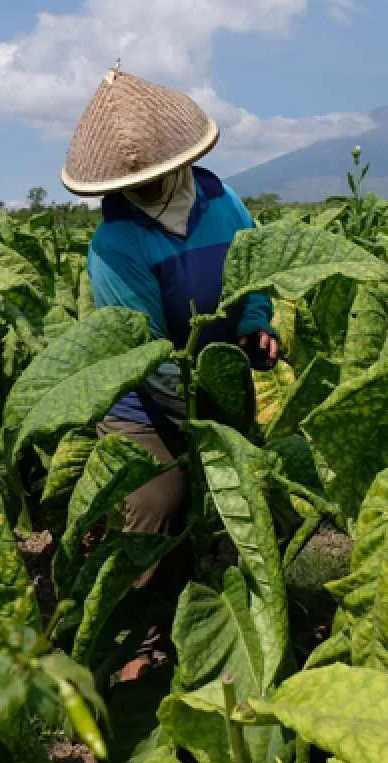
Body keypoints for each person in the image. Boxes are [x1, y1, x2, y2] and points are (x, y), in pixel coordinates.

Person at [60, 68, 279, 679]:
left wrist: (255, 323)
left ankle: (238, 631)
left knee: (243, 498)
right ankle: (133, 640)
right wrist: (208, 430)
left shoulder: (222, 202)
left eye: (155, 173)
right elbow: (149, 357)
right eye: (134, 181)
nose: (148, 185)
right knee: (161, 500)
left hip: (213, 381)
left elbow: (253, 276)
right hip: (142, 400)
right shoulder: (116, 243)